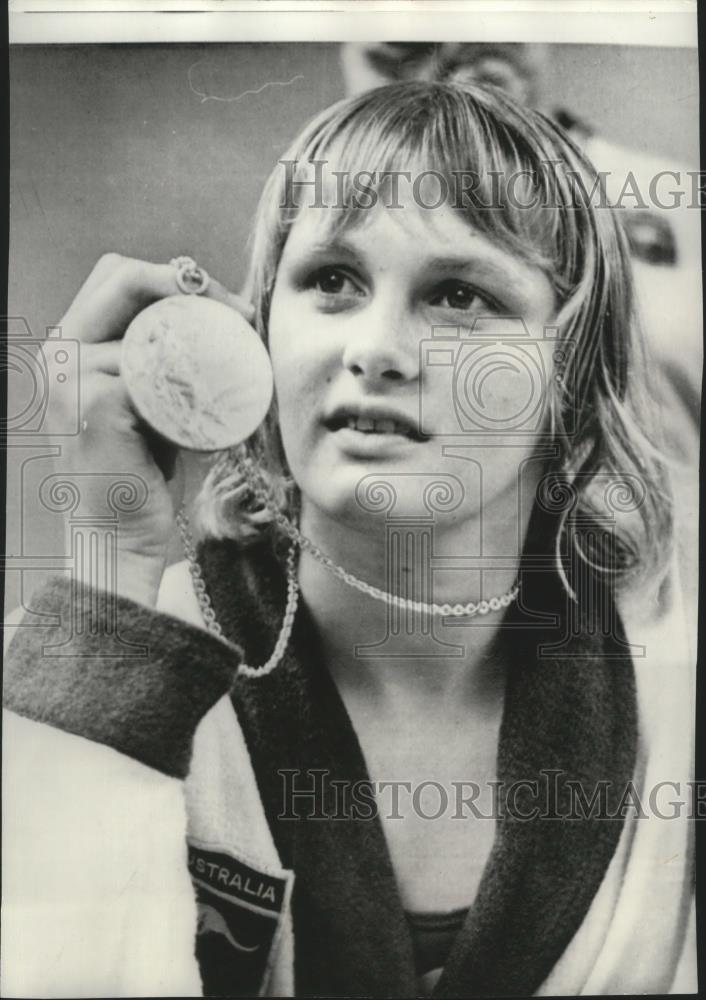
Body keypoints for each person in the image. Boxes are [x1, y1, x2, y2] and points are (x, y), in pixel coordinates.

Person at [2, 81, 696, 997]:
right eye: (332, 279)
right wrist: (110, 570)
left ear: (571, 379)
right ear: (257, 330)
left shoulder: (675, 703)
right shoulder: (41, 684)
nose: (375, 347)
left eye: (458, 294)